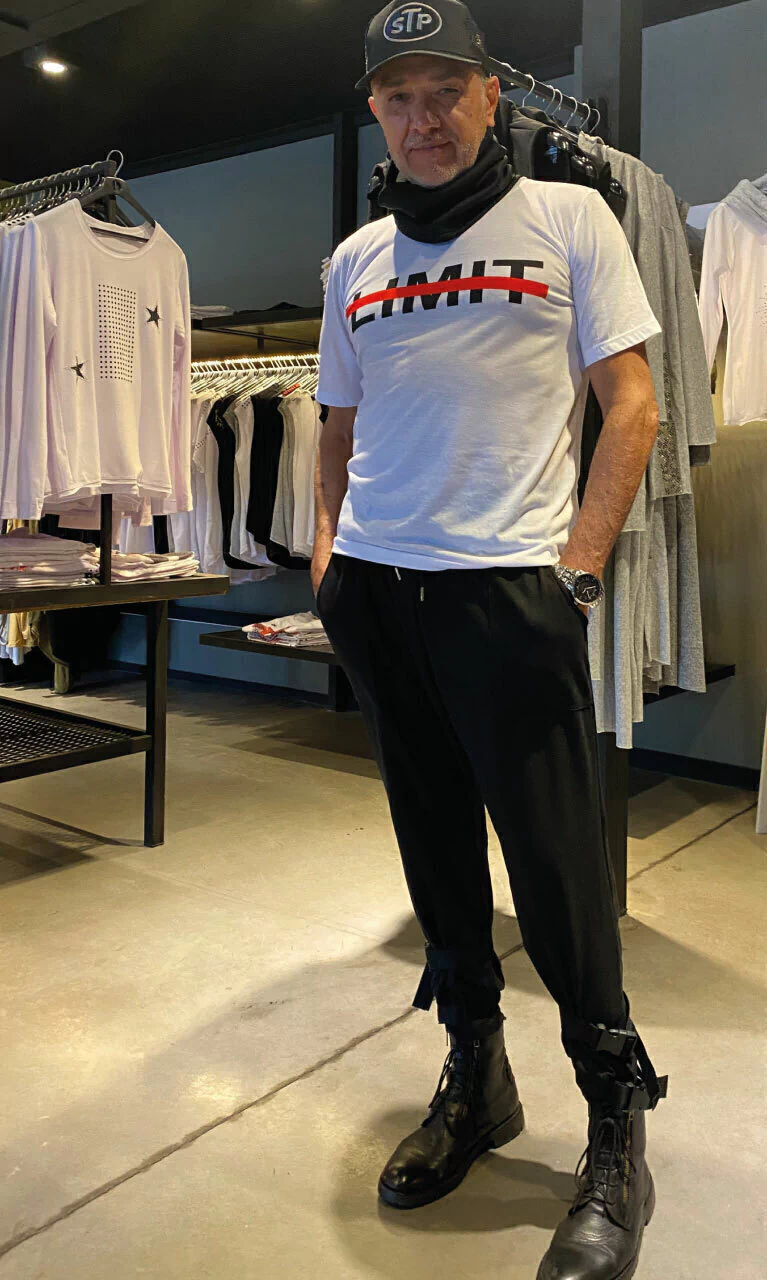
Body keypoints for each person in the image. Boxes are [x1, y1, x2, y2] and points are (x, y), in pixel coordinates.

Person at [313, 4, 667, 1276]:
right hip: (378, 592)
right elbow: (336, 424)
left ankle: (614, 1122)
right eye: (396, 96)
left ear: (488, 95)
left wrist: (577, 570)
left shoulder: (570, 219)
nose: (421, 117)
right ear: (376, 112)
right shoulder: (354, 259)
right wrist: (326, 556)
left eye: (442, 90)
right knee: (435, 855)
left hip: (508, 592)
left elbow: (631, 402)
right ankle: (476, 1072)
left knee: (558, 871)